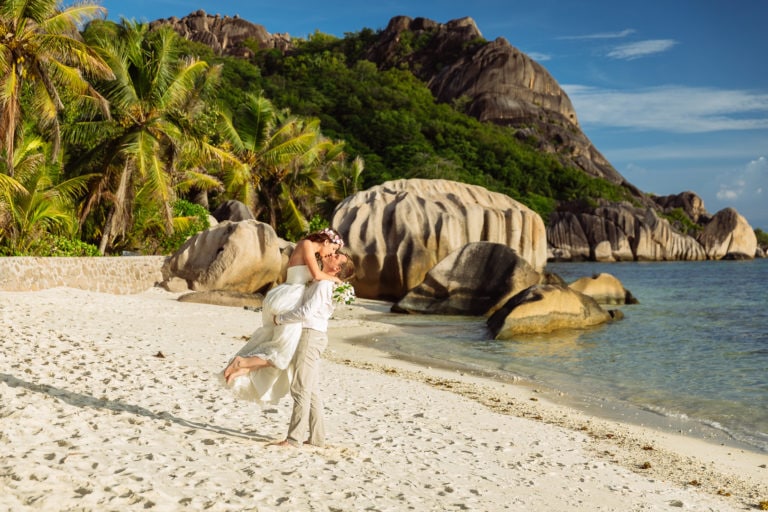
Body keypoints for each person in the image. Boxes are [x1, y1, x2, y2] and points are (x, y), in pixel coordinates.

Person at [221, 228, 344, 404]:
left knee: (283, 349)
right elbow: (317, 275)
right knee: (284, 351)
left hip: (291, 297)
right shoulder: (307, 244)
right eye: (333, 249)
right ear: (326, 241)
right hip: (289, 298)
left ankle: (246, 369)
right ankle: (243, 363)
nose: (332, 253)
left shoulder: (313, 252)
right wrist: (338, 281)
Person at [268, 251, 353, 448]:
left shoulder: (323, 284)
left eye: (336, 256)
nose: (332, 254)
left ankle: (294, 439)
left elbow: (307, 312)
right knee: (311, 390)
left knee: (300, 388)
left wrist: (279, 319)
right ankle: (317, 438)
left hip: (310, 336)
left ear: (337, 268)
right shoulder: (321, 281)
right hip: (313, 335)